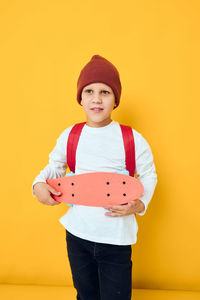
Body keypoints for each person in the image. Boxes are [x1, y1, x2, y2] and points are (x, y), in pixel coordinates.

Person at [32, 54, 158, 300]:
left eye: (105, 92)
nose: (96, 98)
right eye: (89, 91)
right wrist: (37, 184)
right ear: (80, 98)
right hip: (77, 234)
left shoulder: (131, 139)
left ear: (116, 99)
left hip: (116, 238)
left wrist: (141, 203)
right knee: (86, 294)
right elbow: (54, 167)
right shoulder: (71, 135)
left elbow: (149, 174)